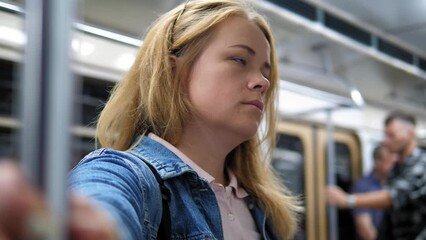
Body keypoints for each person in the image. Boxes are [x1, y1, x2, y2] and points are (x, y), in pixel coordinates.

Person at [0, 0, 302, 239]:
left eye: (266, 70)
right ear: (175, 73)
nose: (263, 82)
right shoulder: (128, 175)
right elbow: (105, 202)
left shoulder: (262, 206)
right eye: (239, 59)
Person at [327, 111, 426, 240]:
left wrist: (348, 200)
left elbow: (393, 197)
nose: (386, 141)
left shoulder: (421, 164)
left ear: (410, 134)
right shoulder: (397, 169)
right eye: (386, 135)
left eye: (391, 135)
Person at [350, 144, 397, 240]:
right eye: (390, 162)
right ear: (377, 162)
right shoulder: (363, 186)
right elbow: (365, 230)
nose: (394, 166)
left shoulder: (396, 183)